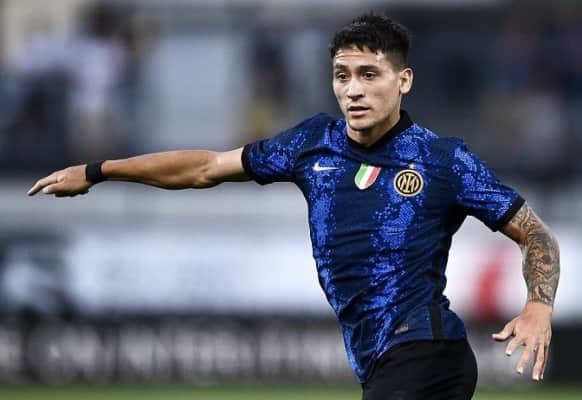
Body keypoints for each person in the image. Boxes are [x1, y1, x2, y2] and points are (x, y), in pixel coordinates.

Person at [28, 14, 559, 400]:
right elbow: (204, 167)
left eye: (369, 75)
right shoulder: (313, 144)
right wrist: (99, 170)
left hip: (427, 352)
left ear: (404, 81)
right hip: (379, 360)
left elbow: (535, 233)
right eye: (342, 75)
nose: (353, 90)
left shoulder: (443, 160)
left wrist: (538, 306)